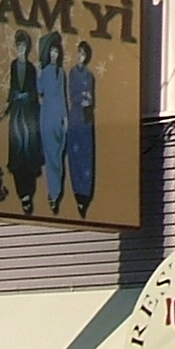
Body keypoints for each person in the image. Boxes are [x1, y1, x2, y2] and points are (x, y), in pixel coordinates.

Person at [2, 32, 42, 214]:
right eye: (19, 46)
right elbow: (12, 89)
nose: (21, 49)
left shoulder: (31, 69)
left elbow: (34, 91)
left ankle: (28, 193)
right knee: (17, 149)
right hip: (17, 113)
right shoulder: (13, 65)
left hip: (28, 113)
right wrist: (5, 107)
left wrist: (27, 97)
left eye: (24, 46)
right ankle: (22, 193)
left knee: (29, 148)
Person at [37, 31, 70, 214]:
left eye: (56, 52)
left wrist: (65, 117)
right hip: (48, 114)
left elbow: (63, 95)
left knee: (58, 155)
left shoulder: (61, 73)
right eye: (51, 51)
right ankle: (53, 193)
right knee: (51, 156)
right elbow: (40, 91)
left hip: (58, 114)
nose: (54, 55)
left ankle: (56, 193)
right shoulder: (44, 72)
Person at [67, 40, 99, 220]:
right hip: (77, 115)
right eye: (79, 53)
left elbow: (91, 95)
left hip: (87, 117)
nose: (80, 56)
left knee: (87, 155)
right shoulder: (73, 72)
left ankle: (85, 194)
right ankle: (77, 191)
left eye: (83, 54)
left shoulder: (90, 75)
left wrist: (88, 101)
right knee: (75, 154)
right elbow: (73, 93)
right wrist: (82, 99)